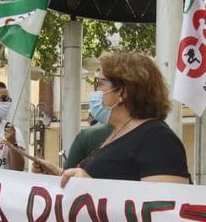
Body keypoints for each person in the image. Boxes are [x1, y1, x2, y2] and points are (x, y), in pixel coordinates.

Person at [59, 51, 190, 186]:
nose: (96, 91)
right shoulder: (117, 133)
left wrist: (91, 187)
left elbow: (166, 202)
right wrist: (58, 177)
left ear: (123, 92)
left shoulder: (158, 139)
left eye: (100, 84)